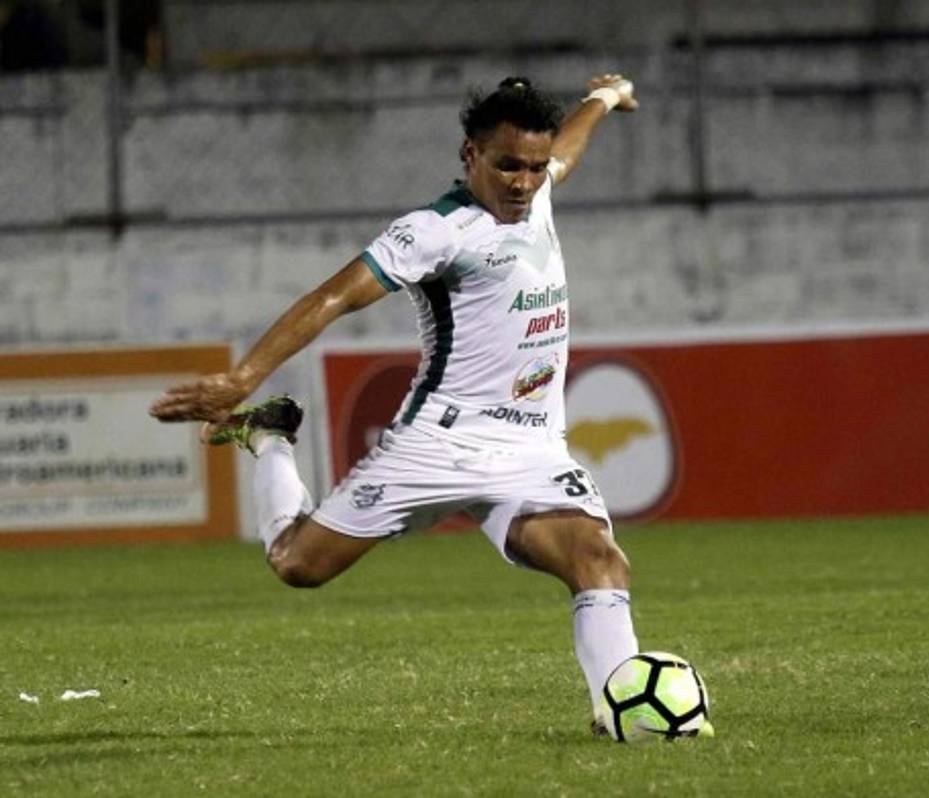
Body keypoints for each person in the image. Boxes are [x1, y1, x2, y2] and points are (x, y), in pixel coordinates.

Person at [149, 73, 664, 736]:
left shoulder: (535, 192)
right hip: (438, 444)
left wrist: (605, 99)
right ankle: (271, 437)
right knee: (298, 565)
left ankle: (620, 715)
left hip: (531, 449)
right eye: (508, 165)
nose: (524, 182)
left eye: (535, 168)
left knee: (598, 560)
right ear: (470, 154)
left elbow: (567, 145)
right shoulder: (436, 231)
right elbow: (334, 296)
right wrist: (245, 376)